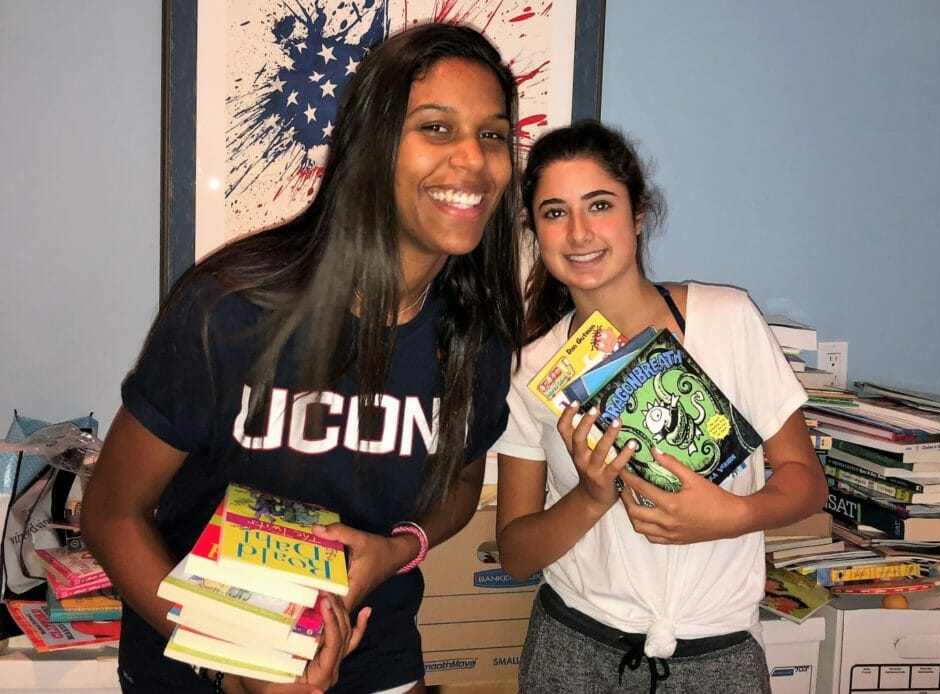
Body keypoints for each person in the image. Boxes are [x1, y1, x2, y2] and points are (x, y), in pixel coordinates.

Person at [81, 22, 524, 694]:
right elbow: (112, 513)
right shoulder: (231, 309)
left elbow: (461, 489)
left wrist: (399, 549)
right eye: (436, 127)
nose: (473, 158)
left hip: (373, 666)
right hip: (203, 668)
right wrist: (239, 658)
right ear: (371, 146)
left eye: (492, 134)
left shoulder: (475, 338)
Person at [492, 120, 827, 693]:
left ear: (638, 213)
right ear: (534, 231)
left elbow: (806, 482)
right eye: (554, 212)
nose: (579, 232)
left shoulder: (727, 320)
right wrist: (592, 496)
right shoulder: (534, 371)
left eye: (599, 205)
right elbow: (516, 555)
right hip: (575, 653)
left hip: (718, 658)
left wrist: (734, 514)